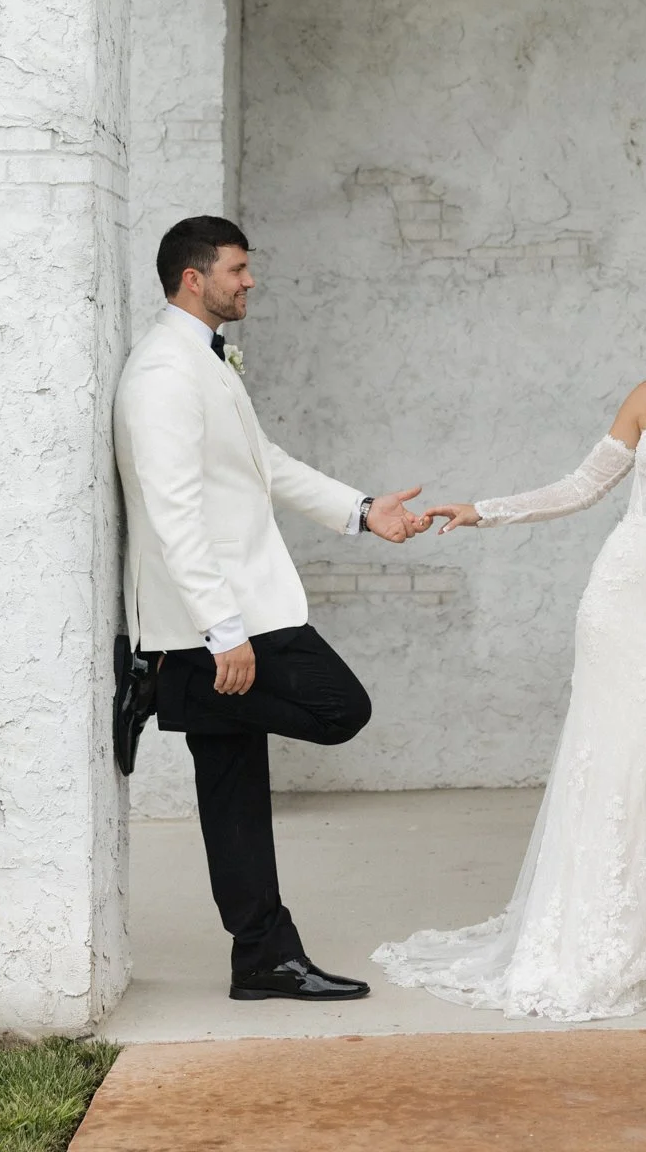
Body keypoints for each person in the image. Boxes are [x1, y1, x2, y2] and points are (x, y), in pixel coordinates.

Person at [373, 270, 646, 1023]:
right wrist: (482, 511)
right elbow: (578, 488)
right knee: (604, 754)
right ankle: (590, 927)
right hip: (621, 590)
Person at [114, 215, 430, 1002]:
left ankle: (262, 956)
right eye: (236, 269)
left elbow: (265, 465)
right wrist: (222, 632)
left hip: (223, 616)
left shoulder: (205, 364)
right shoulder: (162, 374)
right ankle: (172, 686)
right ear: (194, 278)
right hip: (225, 619)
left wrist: (361, 511)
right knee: (337, 708)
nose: (249, 281)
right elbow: (171, 510)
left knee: (234, 802)